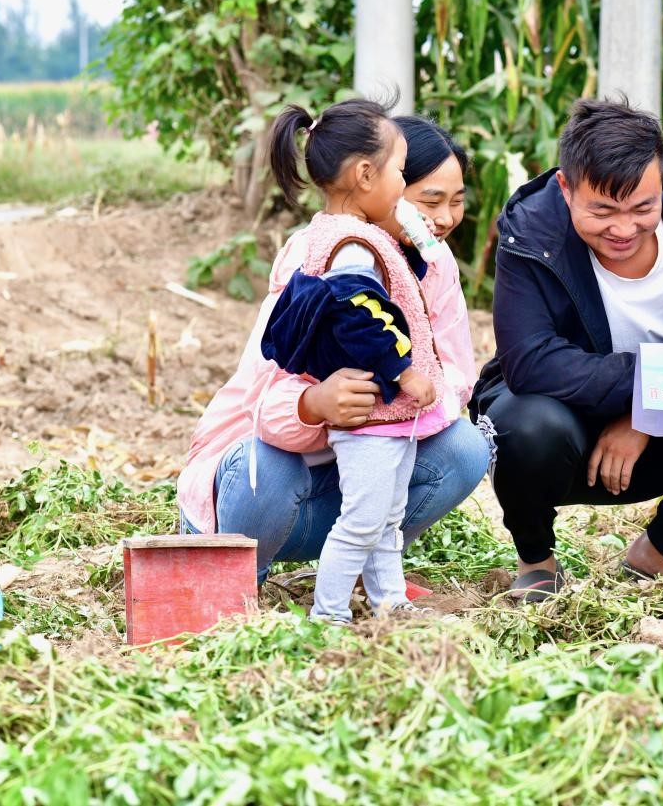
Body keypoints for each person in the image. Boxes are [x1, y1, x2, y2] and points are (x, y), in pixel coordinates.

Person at [471, 98, 663, 601]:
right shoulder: (531, 233)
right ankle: (537, 561)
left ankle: (662, 550)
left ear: (662, 184)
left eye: (643, 208)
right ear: (565, 188)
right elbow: (530, 364)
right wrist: (657, 389)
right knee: (527, 425)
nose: (624, 229)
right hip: (561, 431)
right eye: (603, 211)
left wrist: (653, 413)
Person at [176, 109, 488, 587]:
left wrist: (397, 401)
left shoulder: (434, 261)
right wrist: (315, 404)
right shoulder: (324, 257)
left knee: (465, 449)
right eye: (429, 199)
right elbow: (264, 402)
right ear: (370, 181)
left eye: (457, 201)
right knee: (274, 467)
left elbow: (455, 374)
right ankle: (235, 579)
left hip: (351, 475)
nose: (445, 219)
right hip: (263, 487)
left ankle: (361, 572)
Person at [257, 99, 447, 623]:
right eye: (400, 172)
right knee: (362, 521)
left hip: (383, 418)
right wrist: (405, 370)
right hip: (371, 418)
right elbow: (359, 313)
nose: (403, 185)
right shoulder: (353, 247)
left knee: (386, 519)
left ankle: (389, 602)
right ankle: (329, 613)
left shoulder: (350, 234)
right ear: (365, 175)